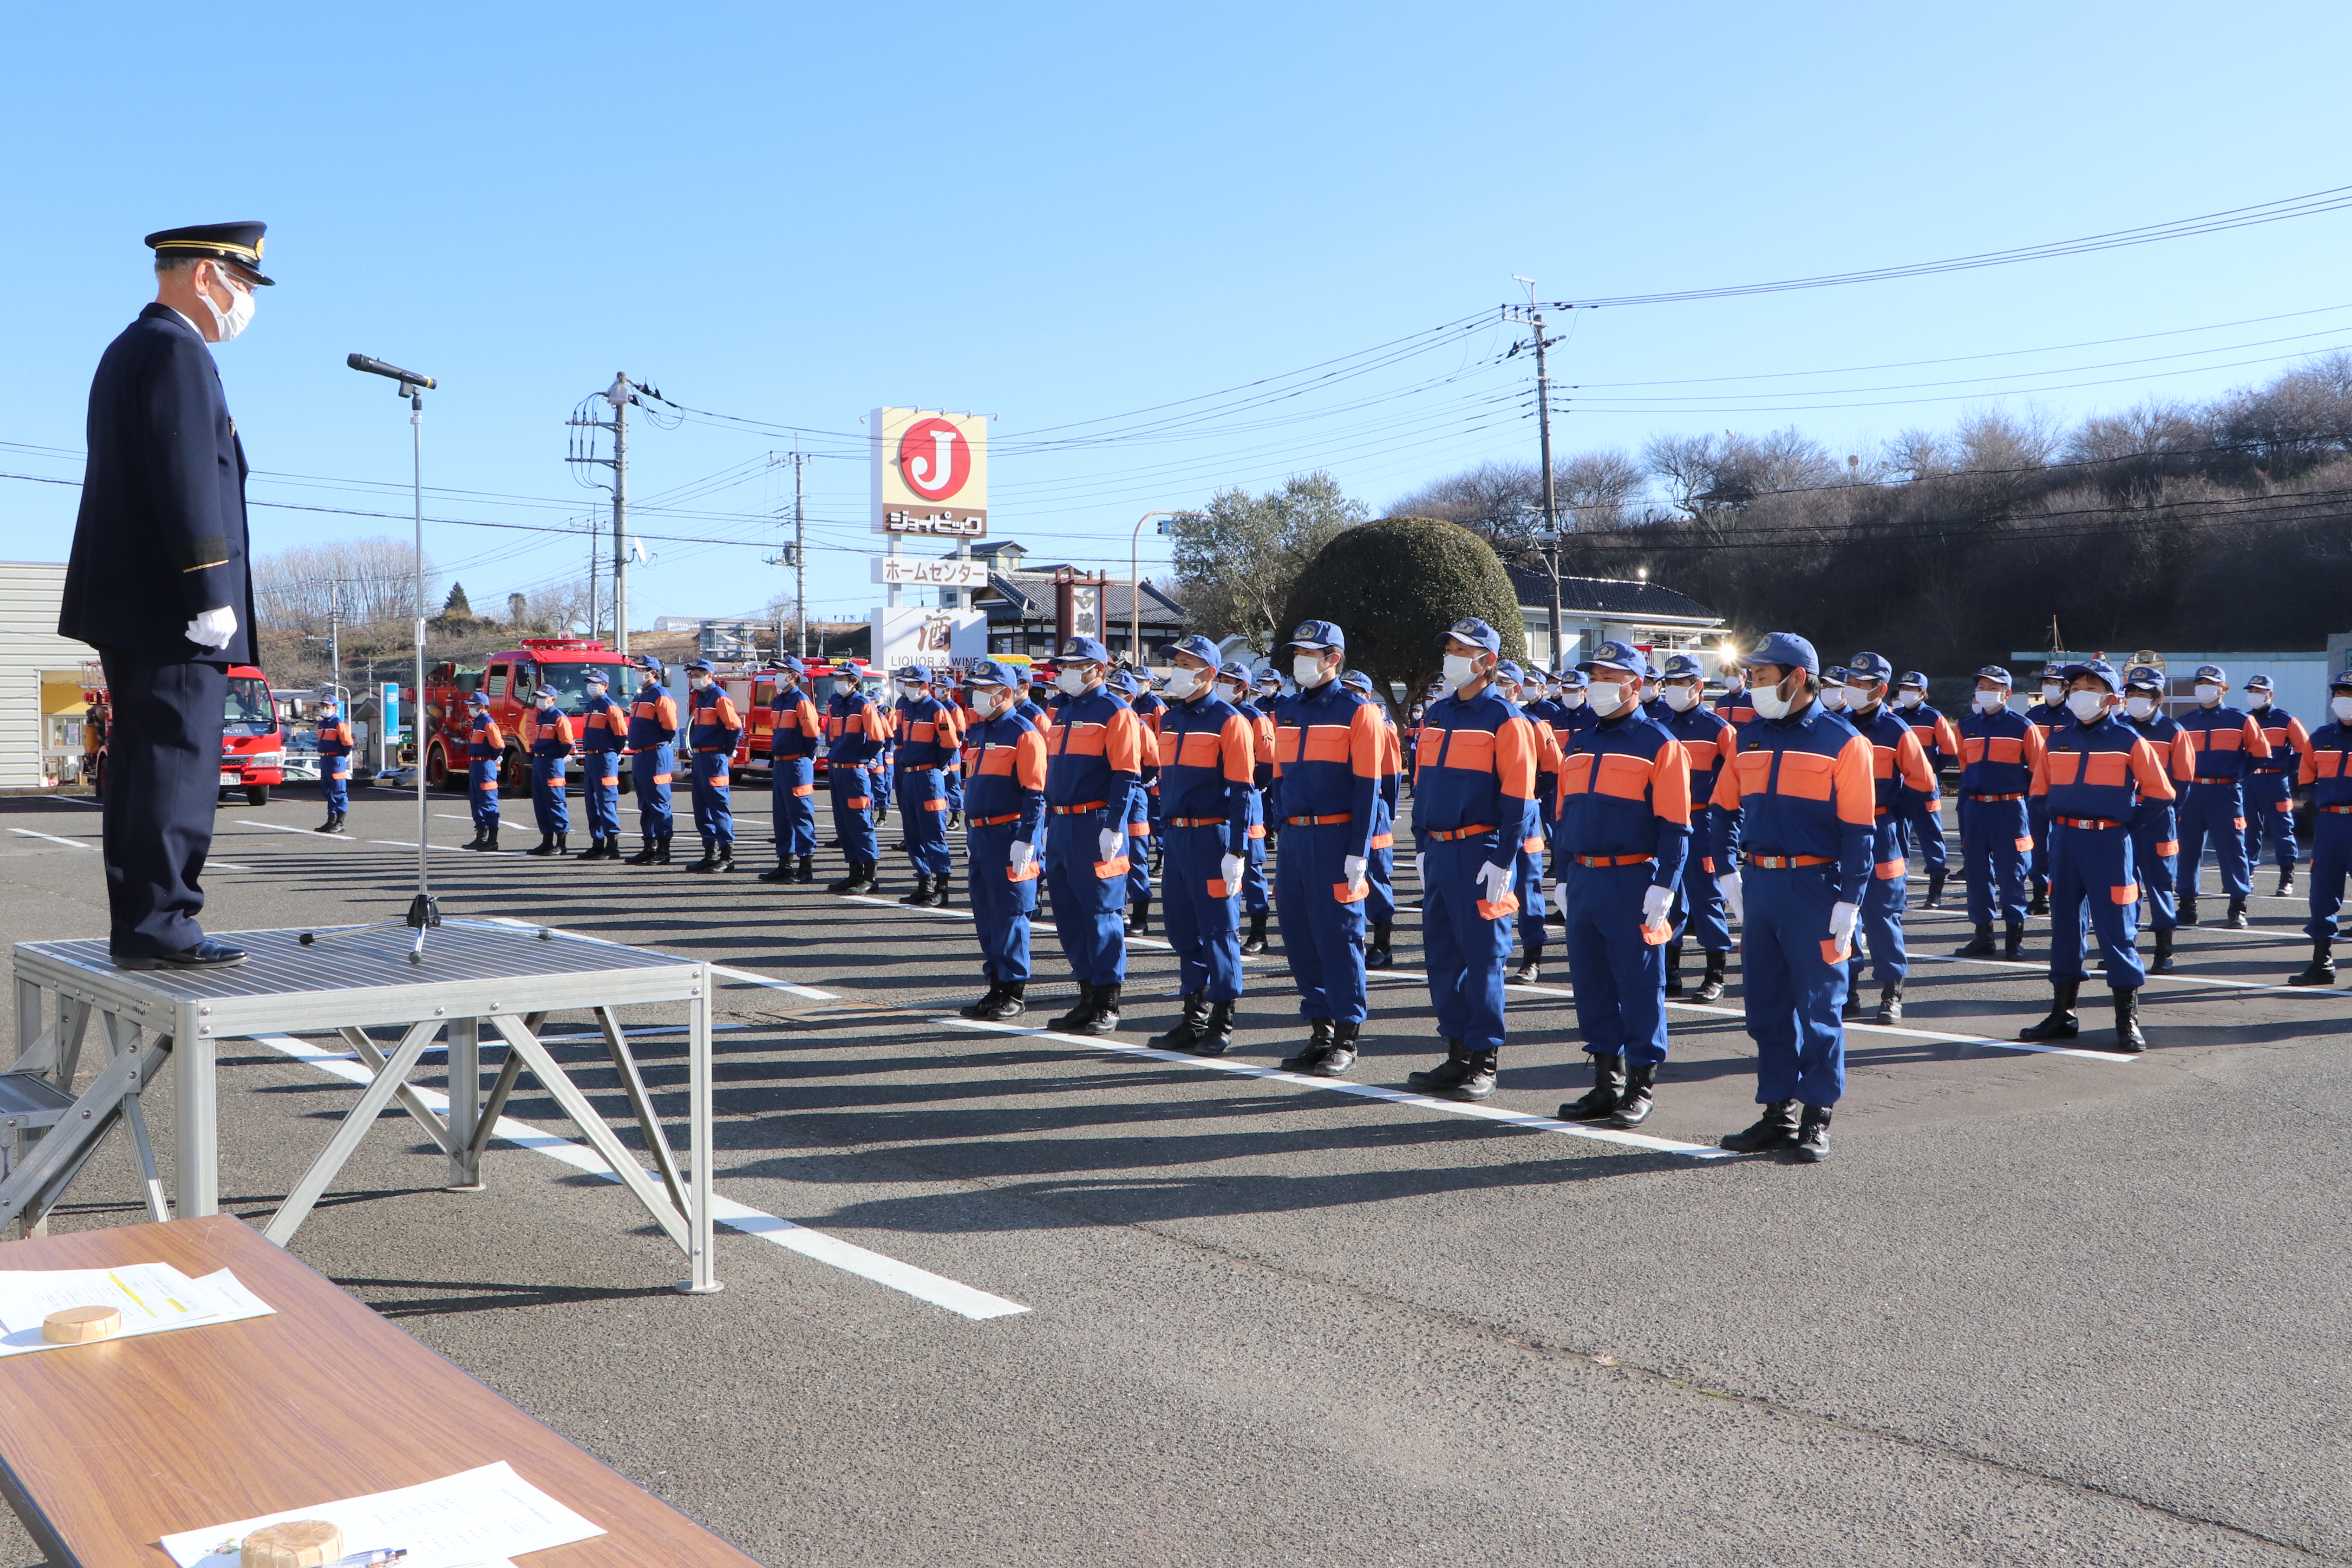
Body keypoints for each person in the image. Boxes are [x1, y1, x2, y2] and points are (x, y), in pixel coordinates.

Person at [61, 222, 275, 969]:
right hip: (173, 602)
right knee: (179, 760)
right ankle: (164, 922)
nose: (245, 301)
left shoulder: (131, 347)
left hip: (137, 598)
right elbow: (187, 476)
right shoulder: (179, 350)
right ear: (205, 275)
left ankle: (146, 921)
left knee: (147, 761)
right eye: (242, 284)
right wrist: (211, 588)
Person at [1709, 633, 1875, 1162]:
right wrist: (1726, 874)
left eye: (1760, 677)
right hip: (1761, 886)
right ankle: (1777, 1112)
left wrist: (1850, 900)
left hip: (1816, 888)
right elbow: (1721, 811)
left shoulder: (1844, 741)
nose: (1751, 686)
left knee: (1820, 1006)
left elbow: (1858, 832)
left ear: (1795, 678)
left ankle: (1817, 1114)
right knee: (1767, 1006)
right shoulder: (1747, 737)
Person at [1549, 642, 1690, 1128]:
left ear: (1636, 684)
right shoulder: (1581, 741)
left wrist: (1666, 884)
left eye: (1611, 677)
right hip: (1585, 877)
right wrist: (1562, 874)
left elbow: (1676, 825)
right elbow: (1564, 814)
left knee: (1639, 985)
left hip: (1634, 879)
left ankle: (1640, 1083)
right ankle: (1605, 1083)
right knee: (1591, 985)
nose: (1599, 685)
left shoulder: (1659, 743)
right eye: (1596, 676)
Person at [1402, 618, 1540, 1100]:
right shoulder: (1437, 714)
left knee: (1483, 958)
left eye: (1463, 650)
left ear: (1488, 662)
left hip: (1481, 851)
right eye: (1450, 648)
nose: (1451, 657)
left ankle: (1485, 1058)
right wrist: (1421, 845)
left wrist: (1505, 860)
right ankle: (1457, 1051)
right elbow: (1423, 788)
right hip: (1440, 850)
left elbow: (1518, 799)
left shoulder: (1506, 719)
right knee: (1442, 955)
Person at [2017, 659, 2177, 1052]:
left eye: (2090, 685)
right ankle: (2063, 1014)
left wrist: (2123, 824)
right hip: (2066, 843)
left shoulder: (2128, 740)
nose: (2079, 692)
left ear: (2109, 695)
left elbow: (2161, 794)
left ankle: (2127, 1020)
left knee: (2117, 930)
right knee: (2065, 929)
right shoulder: (2056, 741)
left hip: (2109, 844)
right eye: (2075, 686)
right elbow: (2038, 793)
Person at [1264, 623, 1386, 1078]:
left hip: (1335, 838)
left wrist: (1359, 851)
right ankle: (1320, 1030)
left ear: (1334, 658)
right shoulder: (1288, 709)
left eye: (1309, 653)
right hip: (1295, 837)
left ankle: (1347, 1035)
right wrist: (1279, 824)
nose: (1299, 660)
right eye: (1297, 652)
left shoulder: (1360, 712)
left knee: (1339, 938)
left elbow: (1367, 787)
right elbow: (1279, 777)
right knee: (1300, 939)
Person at [1146, 637, 1259, 1055]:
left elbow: (1243, 791)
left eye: (1185, 663)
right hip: (1176, 838)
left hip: (1212, 838)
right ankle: (1192, 1017)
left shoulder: (1230, 722)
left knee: (1218, 930)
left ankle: (1222, 1020)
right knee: (1182, 930)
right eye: (1175, 661)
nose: (1176, 669)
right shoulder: (1171, 719)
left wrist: (1237, 850)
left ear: (1209, 673)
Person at [1038, 638, 1149, 1034]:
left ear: (1098, 669)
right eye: (1063, 665)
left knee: (1102, 914)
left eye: (1074, 665)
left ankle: (1108, 1002)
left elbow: (1127, 774)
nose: (1063, 672)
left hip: (1096, 822)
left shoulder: (1116, 711)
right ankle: (1086, 995)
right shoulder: (1063, 711)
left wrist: (1115, 825)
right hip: (1063, 823)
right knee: (1068, 915)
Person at [1838, 654, 1939, 1024]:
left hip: (1882, 832)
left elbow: (1923, 783)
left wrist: (1894, 811)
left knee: (1882, 915)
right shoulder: (1837, 725)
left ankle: (1891, 990)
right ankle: (1846, 989)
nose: (1850, 689)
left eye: (1860, 683)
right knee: (1841, 912)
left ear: (1880, 690)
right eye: (1850, 681)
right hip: (1843, 833)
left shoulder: (1897, 730)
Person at [955, 661, 1050, 1020]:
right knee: (986, 913)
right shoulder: (979, 733)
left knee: (1011, 914)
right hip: (982, 834)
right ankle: (995, 984)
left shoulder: (1024, 732)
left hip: (1010, 834)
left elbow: (1035, 793)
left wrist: (1027, 839)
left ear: (1005, 693)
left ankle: (1013, 990)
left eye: (983, 689)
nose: (976, 696)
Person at [1654, 652, 1738, 1001]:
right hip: (1668, 822)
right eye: (1669, 682)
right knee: (1668, 896)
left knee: (1706, 897)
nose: (1673, 689)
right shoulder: (1658, 726)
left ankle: (1715, 972)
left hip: (1704, 822)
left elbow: (1737, 784)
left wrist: (1731, 836)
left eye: (1680, 682)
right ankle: (1670, 970)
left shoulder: (1720, 730)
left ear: (1698, 686)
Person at [1952, 667, 2044, 961]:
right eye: (1981, 686)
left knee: (2012, 873)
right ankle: (1983, 936)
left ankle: (2014, 939)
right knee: (1977, 874)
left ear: (2007, 693)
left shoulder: (2023, 726)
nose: (1985, 691)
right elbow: (1965, 763)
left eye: (1993, 687)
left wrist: (2023, 795)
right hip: (1976, 808)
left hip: (2010, 809)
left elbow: (2041, 768)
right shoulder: (1967, 725)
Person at [2173, 664, 2270, 929]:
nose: (2204, 688)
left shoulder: (2241, 720)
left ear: (2222, 688)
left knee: (2233, 850)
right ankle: (2187, 905)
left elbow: (2261, 754)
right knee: (2188, 850)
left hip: (2226, 792)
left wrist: (2236, 773)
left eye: (2211, 683)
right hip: (2192, 793)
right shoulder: (2185, 721)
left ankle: (2237, 906)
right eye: (2200, 683)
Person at [1491, 662, 1556, 984]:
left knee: (1528, 891)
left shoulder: (1534, 725)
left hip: (1526, 822)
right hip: (1492, 822)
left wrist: (1531, 794)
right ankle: (1496, 956)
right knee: (1492, 894)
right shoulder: (1486, 719)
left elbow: (1554, 770)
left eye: (1505, 682)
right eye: (1496, 679)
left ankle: (1532, 957)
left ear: (1517, 689)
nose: (1498, 685)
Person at [2287, 665, 2352, 986]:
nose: (2344, 700)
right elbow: (2307, 779)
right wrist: (2324, 802)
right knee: (2322, 892)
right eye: (2340, 694)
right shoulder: (2322, 738)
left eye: (2350, 695)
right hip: (2329, 824)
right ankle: (2322, 962)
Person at [2120, 666, 2187, 973]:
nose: (2135, 699)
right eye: (2131, 692)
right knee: (2123, 884)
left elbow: (2183, 782)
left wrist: (2167, 811)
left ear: (2158, 698)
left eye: (2143, 694)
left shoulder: (2174, 732)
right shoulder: (2119, 728)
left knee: (2159, 883)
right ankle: (2125, 946)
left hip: (2159, 818)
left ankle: (2164, 951)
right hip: (2124, 818)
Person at [1341, 669, 1404, 970]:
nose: (1349, 693)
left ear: (1367, 695)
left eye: (1356, 689)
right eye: (1345, 688)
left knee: (1376, 878)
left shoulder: (1381, 724)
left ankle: (1383, 945)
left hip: (1374, 809)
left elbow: (1391, 775)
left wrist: (1388, 814)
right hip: (1342, 808)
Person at [889, 665, 961, 907]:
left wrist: (935, 766)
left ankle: (942, 886)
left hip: (928, 778)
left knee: (932, 833)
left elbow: (950, 744)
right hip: (908, 776)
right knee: (912, 833)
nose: (907, 688)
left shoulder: (936, 709)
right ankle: (924, 881)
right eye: (906, 684)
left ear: (924, 686)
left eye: (912, 684)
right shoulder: (907, 708)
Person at [1223, 661, 1278, 956]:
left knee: (1252, 872)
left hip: (1248, 806)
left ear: (1242, 687)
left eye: (1227, 680)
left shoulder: (1256, 718)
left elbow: (1267, 764)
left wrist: (1247, 787)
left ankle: (1259, 932)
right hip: (1217, 808)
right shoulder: (1216, 714)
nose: (1220, 684)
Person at [1894, 671, 1961, 908]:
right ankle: (1897, 891)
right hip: (1900, 787)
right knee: (1898, 839)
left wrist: (1930, 771)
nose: (1906, 693)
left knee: (1931, 836)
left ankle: (1935, 891)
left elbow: (1949, 749)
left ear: (1923, 693)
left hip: (1925, 789)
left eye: (1912, 689)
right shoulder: (1895, 716)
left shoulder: (1934, 717)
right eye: (1903, 688)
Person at [2241, 674, 2309, 897]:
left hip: (2275, 782)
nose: (2254, 695)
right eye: (2251, 691)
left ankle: (2286, 877)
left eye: (2259, 691)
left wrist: (2286, 770)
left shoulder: (2286, 720)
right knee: (2249, 829)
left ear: (2270, 694)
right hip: (2250, 781)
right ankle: (2248, 873)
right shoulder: (2244, 719)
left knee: (2282, 829)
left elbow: (2304, 750)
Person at [824, 661, 889, 894]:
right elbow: (830, 735)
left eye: (842, 678)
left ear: (854, 681)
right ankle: (854, 873)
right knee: (843, 823)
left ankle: (870, 877)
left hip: (854, 772)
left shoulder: (864, 705)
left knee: (861, 822)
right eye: (837, 678)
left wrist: (862, 758)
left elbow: (877, 737)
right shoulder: (835, 704)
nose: (838, 682)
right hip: (837, 769)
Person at [759, 657, 822, 884]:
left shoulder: (801, 701)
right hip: (782, 763)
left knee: (801, 815)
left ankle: (806, 866)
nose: (776, 675)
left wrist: (805, 754)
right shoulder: (779, 701)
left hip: (797, 764)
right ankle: (784, 864)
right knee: (782, 816)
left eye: (781, 671)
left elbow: (813, 734)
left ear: (794, 675)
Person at [679, 660, 743, 872]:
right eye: (691, 675)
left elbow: (734, 727)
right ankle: (710, 852)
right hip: (700, 758)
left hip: (714, 758)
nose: (693, 678)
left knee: (718, 805)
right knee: (701, 807)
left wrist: (726, 751)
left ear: (709, 675)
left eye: (697, 674)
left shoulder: (719, 697)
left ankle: (727, 856)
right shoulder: (702, 698)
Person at [1110, 668, 1157, 933]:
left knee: (1137, 855)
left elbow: (1152, 760)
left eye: (1118, 692)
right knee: (1112, 856)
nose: (1113, 696)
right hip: (1110, 795)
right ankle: (1118, 909)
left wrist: (1140, 782)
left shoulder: (1139, 724)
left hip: (1134, 795)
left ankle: (1140, 915)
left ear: (1129, 696)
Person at [623, 658, 680, 865]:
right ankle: (649, 847)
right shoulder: (641, 696)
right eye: (637, 670)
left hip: (656, 754)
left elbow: (670, 728)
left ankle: (663, 850)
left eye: (642, 670)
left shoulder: (660, 696)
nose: (637, 673)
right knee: (645, 803)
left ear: (653, 672)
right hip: (641, 755)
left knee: (659, 801)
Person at [2023, 668, 2069, 915]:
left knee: (2065, 843)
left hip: (2067, 788)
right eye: (2046, 683)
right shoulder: (2032, 715)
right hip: (2038, 788)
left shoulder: (2076, 715)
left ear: (2065, 687)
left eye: (2055, 683)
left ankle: (2063, 889)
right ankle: (2039, 892)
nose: (2049, 687)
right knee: (2038, 842)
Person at [574, 668, 626, 860]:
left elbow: (621, 735)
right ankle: (597, 844)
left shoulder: (610, 707)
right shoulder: (589, 706)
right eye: (589, 683)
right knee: (592, 802)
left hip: (605, 758)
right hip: (591, 758)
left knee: (606, 801)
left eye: (595, 683)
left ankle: (612, 845)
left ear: (605, 686)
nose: (591, 686)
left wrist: (614, 752)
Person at [521, 684, 574, 857]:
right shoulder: (540, 717)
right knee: (541, 803)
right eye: (538, 697)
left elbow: (567, 743)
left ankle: (561, 843)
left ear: (553, 699)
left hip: (552, 763)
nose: (540, 701)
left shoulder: (558, 717)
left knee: (555, 802)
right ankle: (547, 841)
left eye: (544, 698)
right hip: (539, 761)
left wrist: (557, 756)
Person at [459, 691, 504, 851]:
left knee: (488, 801)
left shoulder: (487, 723)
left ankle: (492, 840)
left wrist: (492, 758)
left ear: (483, 706)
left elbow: (498, 745)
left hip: (485, 766)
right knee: (476, 802)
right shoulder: (478, 722)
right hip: (476, 765)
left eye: (473, 705)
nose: (470, 708)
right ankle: (481, 838)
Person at [313, 698, 355, 835]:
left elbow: (348, 743)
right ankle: (331, 821)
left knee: (339, 791)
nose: (325, 709)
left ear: (335, 708)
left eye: (328, 706)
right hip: (325, 759)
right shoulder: (322, 724)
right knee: (328, 791)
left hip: (336, 759)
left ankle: (340, 822)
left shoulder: (339, 723)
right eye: (323, 706)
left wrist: (343, 756)